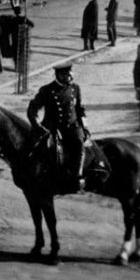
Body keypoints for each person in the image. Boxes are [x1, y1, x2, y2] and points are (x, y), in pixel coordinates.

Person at [27, 63, 88, 193]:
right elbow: (32, 109)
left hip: (72, 126)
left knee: (79, 143)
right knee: (41, 148)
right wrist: (37, 126)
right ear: (60, 75)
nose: (70, 78)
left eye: (71, 75)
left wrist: (85, 126)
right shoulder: (47, 90)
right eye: (67, 75)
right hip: (52, 127)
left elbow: (80, 109)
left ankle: (77, 177)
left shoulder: (75, 88)